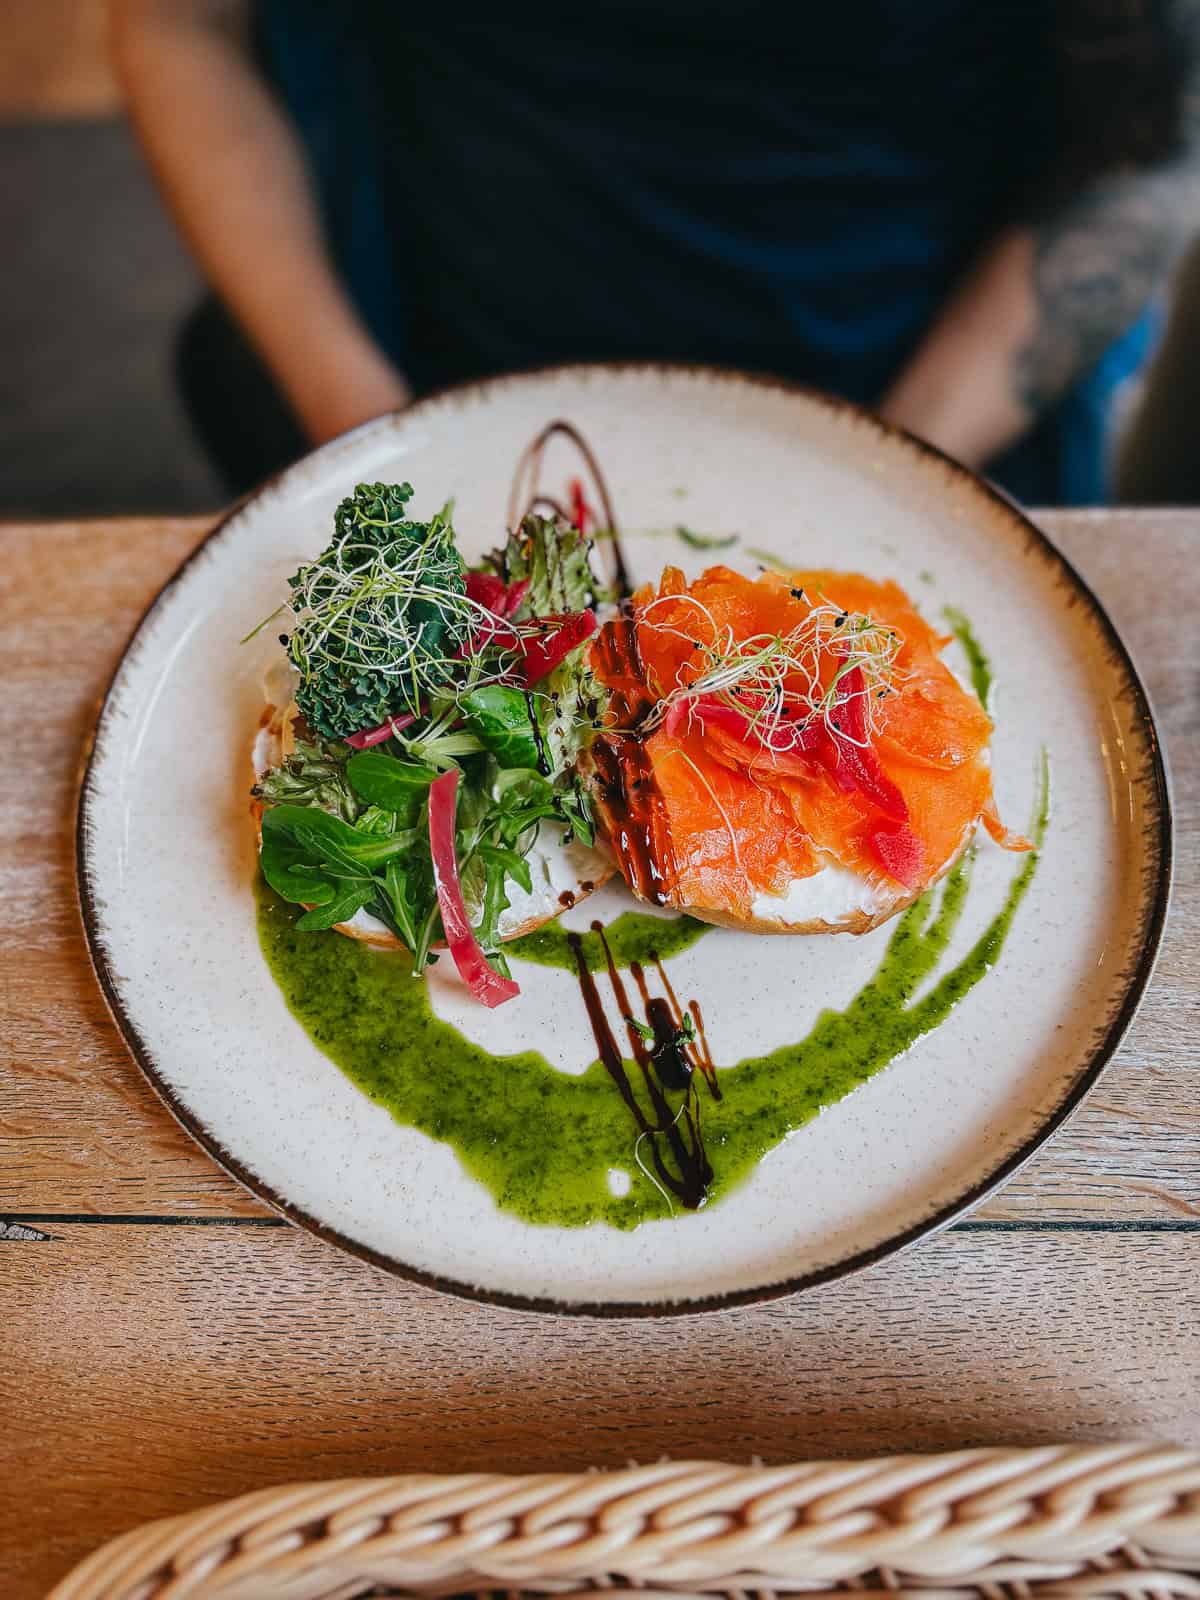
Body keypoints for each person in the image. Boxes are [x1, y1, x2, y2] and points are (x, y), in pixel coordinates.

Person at [111, 1, 1200, 504]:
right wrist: (356, 408)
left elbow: (1141, 149)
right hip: (431, 348)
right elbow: (180, 25)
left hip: (901, 392)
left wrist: (880, 480)